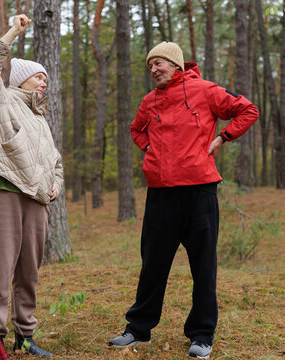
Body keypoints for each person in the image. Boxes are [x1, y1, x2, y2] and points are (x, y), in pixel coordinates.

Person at [107, 42, 259, 359]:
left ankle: (202, 335)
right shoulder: (150, 101)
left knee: (203, 266)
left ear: (175, 64)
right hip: (160, 193)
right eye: (150, 65)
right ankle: (138, 329)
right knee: (153, 264)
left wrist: (222, 137)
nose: (153, 70)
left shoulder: (205, 90)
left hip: (200, 191)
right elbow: (136, 130)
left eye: (159, 63)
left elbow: (248, 110)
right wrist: (150, 149)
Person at [0, 14, 62, 360]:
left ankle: (25, 336)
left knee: (29, 274)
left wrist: (55, 185)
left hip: (36, 201)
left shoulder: (41, 120)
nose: (44, 83)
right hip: (3, 192)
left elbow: (56, 162)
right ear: (22, 78)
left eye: (46, 78)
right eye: (40, 76)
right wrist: (12, 32)